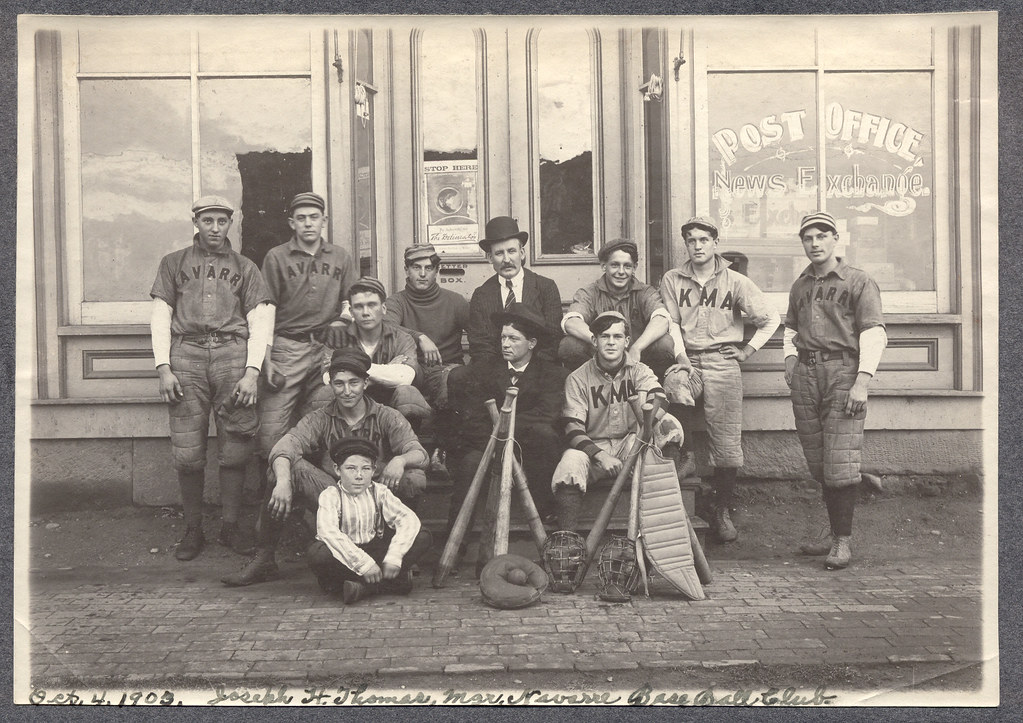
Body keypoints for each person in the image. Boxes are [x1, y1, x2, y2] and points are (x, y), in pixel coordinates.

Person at [221, 348, 429, 586]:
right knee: (282, 468)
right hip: (335, 499)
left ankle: (393, 551)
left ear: (366, 383)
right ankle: (265, 558)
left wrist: (399, 460)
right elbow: (284, 447)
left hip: (377, 503)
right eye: (339, 384)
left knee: (414, 477)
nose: (347, 391)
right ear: (331, 385)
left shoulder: (386, 416)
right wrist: (283, 482)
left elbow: (420, 454)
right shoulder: (320, 418)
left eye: (354, 383)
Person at [149, 195, 274, 561]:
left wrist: (252, 372)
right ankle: (193, 528)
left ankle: (231, 526)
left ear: (230, 224)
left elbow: (260, 320)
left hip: (232, 354)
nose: (215, 228)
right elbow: (160, 315)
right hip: (185, 353)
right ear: (196, 222)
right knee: (188, 452)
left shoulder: (246, 266)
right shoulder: (173, 263)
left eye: (222, 221)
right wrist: (163, 367)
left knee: (236, 443)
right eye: (208, 221)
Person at [659, 216, 780, 543]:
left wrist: (748, 350)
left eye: (703, 240)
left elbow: (771, 318)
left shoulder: (735, 281)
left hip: (722, 360)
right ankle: (682, 466)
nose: (697, 246)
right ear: (686, 244)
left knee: (726, 442)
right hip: (687, 357)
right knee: (673, 392)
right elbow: (670, 324)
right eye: (691, 240)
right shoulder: (673, 279)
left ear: (715, 243)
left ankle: (721, 508)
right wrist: (681, 358)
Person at [784, 211, 887, 571]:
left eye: (821, 236)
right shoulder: (800, 285)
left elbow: (874, 332)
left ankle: (842, 542)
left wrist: (863, 380)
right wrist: (789, 361)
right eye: (808, 238)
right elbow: (790, 328)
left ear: (834, 239)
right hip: (807, 373)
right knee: (819, 460)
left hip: (844, 370)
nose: (814, 243)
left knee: (840, 461)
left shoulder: (857, 281)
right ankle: (834, 529)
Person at [256, 191, 357, 515]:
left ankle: (323, 509)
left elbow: (350, 298)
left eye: (314, 217)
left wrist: (343, 318)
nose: (308, 223)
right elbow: (264, 308)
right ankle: (273, 511)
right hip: (288, 345)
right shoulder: (277, 257)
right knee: (271, 432)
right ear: (292, 223)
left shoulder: (340, 256)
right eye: (301, 218)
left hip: (327, 348)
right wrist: (266, 357)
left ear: (323, 221)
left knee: (329, 423)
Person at [551, 311, 684, 532]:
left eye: (617, 336)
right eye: (605, 336)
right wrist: (600, 455)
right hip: (595, 449)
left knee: (670, 425)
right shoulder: (577, 378)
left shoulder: (638, 370)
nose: (611, 342)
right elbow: (573, 428)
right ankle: (568, 538)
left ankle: (667, 501)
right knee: (570, 463)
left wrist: (647, 421)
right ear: (594, 341)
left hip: (631, 443)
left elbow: (659, 396)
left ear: (627, 341)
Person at [445, 303, 569, 532]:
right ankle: (457, 540)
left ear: (531, 343)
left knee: (545, 436)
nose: (505, 344)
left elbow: (546, 415)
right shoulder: (483, 370)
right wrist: (497, 441)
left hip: (529, 449)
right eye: (503, 337)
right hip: (487, 445)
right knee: (469, 465)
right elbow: (472, 416)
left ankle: (546, 519)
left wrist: (505, 432)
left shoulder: (552, 374)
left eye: (513, 338)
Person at [306, 437, 432, 604]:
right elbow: (328, 532)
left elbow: (407, 519)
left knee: (423, 535)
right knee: (318, 554)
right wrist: (363, 564)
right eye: (350, 468)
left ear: (373, 471)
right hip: (346, 555)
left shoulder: (379, 492)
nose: (359, 476)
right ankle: (391, 584)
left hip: (375, 551)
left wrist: (394, 556)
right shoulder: (330, 495)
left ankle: (362, 588)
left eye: (365, 469)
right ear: (337, 469)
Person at [559, 238, 674, 377]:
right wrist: (599, 342)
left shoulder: (645, 292)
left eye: (627, 266)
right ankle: (590, 388)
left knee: (664, 343)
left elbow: (662, 319)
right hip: (599, 359)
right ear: (603, 266)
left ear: (634, 268)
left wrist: (637, 347)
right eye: (614, 265)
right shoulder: (589, 292)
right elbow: (571, 321)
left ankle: (653, 389)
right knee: (570, 346)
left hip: (637, 360)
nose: (621, 271)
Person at [333, 277, 432, 425]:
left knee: (407, 394)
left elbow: (404, 376)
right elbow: (328, 378)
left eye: (372, 305)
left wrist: (351, 368)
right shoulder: (338, 339)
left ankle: (403, 445)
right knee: (324, 394)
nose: (366, 312)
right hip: (351, 403)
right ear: (351, 312)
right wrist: (387, 370)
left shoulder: (401, 338)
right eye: (359, 307)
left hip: (391, 404)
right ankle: (340, 445)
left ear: (384, 308)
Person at [466, 216, 562, 364]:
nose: (506, 259)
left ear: (522, 253)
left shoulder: (545, 287)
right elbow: (480, 345)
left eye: (511, 251)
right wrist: (504, 376)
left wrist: (526, 373)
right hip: (496, 370)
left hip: (538, 369)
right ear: (490, 258)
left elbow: (552, 338)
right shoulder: (481, 294)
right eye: (499, 253)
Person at [384, 243, 470, 410]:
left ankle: (443, 434)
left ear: (437, 270)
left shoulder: (455, 301)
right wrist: (420, 337)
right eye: (416, 267)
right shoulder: (396, 302)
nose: (423, 274)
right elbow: (386, 326)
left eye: (429, 268)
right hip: (414, 369)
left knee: (452, 382)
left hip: (447, 368)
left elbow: (480, 335)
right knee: (405, 393)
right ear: (406, 269)